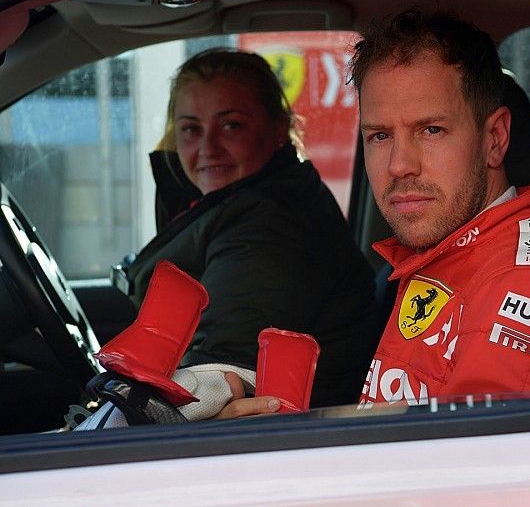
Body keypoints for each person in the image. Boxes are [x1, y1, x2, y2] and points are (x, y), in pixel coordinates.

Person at [217, 9, 530, 417]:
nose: (399, 165)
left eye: (431, 130)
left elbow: (479, 474)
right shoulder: (449, 254)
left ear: (494, 139)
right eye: (380, 136)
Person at [119, 48, 379, 409]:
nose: (207, 147)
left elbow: (218, 375)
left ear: (278, 129)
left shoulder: (273, 228)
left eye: (231, 126)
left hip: (285, 444)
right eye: (191, 129)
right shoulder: (241, 200)